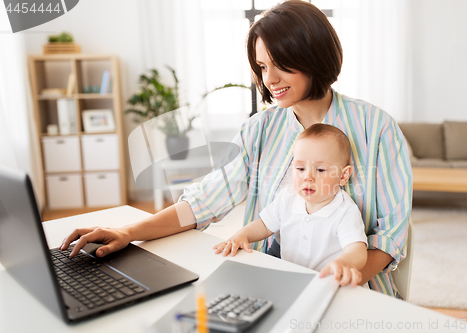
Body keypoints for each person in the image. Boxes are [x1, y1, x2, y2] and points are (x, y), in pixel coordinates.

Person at [60, 0, 412, 299]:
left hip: (349, 291)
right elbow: (204, 201)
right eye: (262, 66)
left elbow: (390, 235)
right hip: (271, 282)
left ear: (312, 55)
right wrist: (129, 232)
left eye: (281, 63)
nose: (269, 79)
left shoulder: (376, 128)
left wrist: (328, 287)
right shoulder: (260, 128)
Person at [213, 124, 368, 287]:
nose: (308, 176)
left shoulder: (345, 211)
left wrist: (345, 262)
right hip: (291, 282)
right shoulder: (287, 198)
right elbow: (264, 225)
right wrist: (242, 235)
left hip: (328, 286)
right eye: (300, 168)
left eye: (320, 170)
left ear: (343, 176)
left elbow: (357, 250)